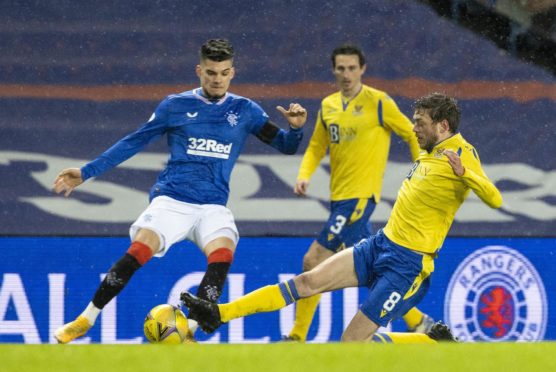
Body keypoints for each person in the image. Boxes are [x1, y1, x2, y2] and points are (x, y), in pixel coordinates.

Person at [181, 92, 503, 343]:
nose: (413, 127)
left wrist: (468, 176)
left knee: (351, 341)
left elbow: (494, 197)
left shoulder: (461, 154)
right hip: (381, 245)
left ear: (443, 126)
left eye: (420, 122)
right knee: (307, 281)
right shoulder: (429, 151)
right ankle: (218, 313)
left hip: (409, 264)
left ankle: (430, 343)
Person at [52, 38, 307, 344]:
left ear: (232, 73)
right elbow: (133, 141)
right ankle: (85, 319)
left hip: (212, 205)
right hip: (172, 200)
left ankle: (191, 333)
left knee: (223, 252)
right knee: (139, 250)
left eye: (223, 73)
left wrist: (294, 129)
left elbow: (287, 147)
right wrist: (86, 172)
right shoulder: (175, 106)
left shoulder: (245, 111)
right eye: (211, 72)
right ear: (200, 71)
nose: (217, 79)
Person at [284, 44, 432, 342]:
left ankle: (296, 337)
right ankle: (420, 323)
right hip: (339, 197)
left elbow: (410, 132)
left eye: (352, 68)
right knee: (376, 267)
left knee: (313, 260)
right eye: (341, 68)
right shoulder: (328, 106)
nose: (346, 74)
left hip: (360, 198)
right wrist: (304, 175)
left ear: (362, 69)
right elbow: (316, 146)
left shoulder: (379, 102)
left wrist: (422, 169)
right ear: (333, 70)